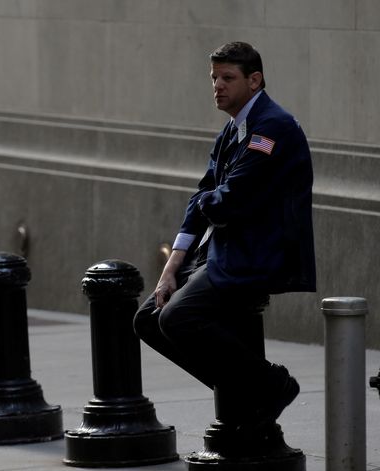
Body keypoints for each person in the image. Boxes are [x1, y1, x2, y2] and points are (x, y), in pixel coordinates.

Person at [133, 42, 316, 429]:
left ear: (255, 80)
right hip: (222, 251)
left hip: (258, 256)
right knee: (147, 319)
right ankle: (249, 388)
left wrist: (208, 201)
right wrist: (172, 267)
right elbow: (204, 196)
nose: (217, 85)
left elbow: (226, 201)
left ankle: (271, 384)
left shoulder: (272, 127)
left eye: (227, 78)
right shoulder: (233, 130)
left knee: (178, 317)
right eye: (214, 78)